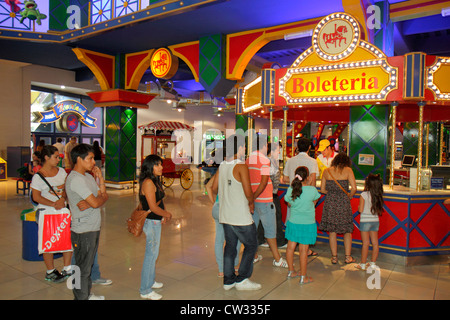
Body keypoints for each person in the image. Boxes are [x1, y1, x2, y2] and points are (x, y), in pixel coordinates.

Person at [212, 133, 261, 291]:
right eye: (244, 146)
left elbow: (214, 188)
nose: (245, 149)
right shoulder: (241, 166)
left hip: (226, 214)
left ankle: (228, 281)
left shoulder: (223, 165)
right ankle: (242, 279)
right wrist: (251, 202)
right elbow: (248, 192)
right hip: (240, 215)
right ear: (239, 148)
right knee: (251, 244)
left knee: (230, 246)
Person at [65, 143, 108, 300]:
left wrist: (100, 180)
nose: (93, 162)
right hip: (83, 230)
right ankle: (81, 297)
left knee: (87, 266)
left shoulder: (88, 177)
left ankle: (87, 294)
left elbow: (104, 196)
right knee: (82, 269)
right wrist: (96, 200)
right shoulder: (76, 180)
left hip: (93, 226)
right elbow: (97, 202)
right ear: (79, 159)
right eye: (90, 158)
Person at [30, 145, 72, 283]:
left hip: (62, 212)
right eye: (55, 157)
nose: (58, 159)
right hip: (46, 213)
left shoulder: (61, 172)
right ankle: (50, 271)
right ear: (47, 158)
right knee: (49, 242)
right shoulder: (38, 176)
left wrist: (63, 199)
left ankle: (67, 267)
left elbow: (66, 187)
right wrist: (54, 204)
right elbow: (36, 197)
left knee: (66, 240)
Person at [246, 134, 287, 268]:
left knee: (252, 229)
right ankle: (277, 259)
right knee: (270, 231)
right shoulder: (264, 160)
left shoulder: (249, 159)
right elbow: (264, 182)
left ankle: (253, 255)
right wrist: (255, 196)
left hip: (253, 200)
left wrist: (251, 197)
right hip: (264, 199)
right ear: (264, 146)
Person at [139, 155, 173, 300]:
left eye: (161, 164)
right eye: (157, 165)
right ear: (150, 166)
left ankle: (150, 281)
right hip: (151, 222)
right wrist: (167, 214)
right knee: (151, 255)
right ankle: (145, 290)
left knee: (154, 254)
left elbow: (158, 201)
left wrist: (162, 216)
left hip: (156, 221)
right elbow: (152, 207)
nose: (161, 167)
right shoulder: (148, 183)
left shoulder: (154, 180)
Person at [283, 137, 319, 256]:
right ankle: (305, 250)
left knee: (293, 224)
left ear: (297, 147)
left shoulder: (290, 160)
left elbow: (285, 178)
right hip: (307, 199)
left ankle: (292, 251)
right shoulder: (312, 161)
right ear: (309, 147)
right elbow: (313, 181)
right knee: (305, 227)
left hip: (293, 196)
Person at [319, 152, 357, 265]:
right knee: (347, 231)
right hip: (344, 202)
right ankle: (347, 257)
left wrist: (332, 193)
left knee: (332, 231)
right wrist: (348, 196)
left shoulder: (326, 171)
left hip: (330, 202)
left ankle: (334, 257)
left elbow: (322, 190)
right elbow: (354, 188)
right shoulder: (348, 170)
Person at [284, 166, 320, 284]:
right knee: (303, 251)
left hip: (293, 222)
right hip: (307, 224)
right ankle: (303, 277)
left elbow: (289, 203)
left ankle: (291, 271)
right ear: (308, 177)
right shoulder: (312, 190)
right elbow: (315, 202)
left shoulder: (291, 189)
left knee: (290, 248)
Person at [206, 173, 241, 277]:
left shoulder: (220, 171)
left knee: (219, 240)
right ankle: (234, 266)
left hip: (217, 208)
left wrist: (214, 202)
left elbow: (208, 186)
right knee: (236, 238)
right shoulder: (235, 171)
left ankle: (221, 269)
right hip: (229, 208)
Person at [356, 173, 384, 270]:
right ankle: (372, 263)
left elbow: (360, 210)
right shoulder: (378, 195)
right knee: (375, 243)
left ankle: (362, 264)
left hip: (365, 221)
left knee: (366, 243)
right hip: (375, 221)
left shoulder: (363, 195)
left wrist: (359, 207)